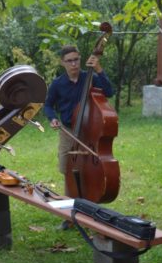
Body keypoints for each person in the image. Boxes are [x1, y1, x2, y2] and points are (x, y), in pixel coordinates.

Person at [43, 44, 115, 175]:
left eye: (76, 59)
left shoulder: (90, 78)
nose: (74, 64)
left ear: (80, 59)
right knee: (65, 167)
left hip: (89, 131)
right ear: (62, 62)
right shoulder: (57, 84)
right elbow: (48, 105)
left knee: (91, 169)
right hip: (68, 131)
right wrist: (52, 118)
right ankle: (70, 194)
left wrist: (99, 69)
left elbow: (109, 92)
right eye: (69, 61)